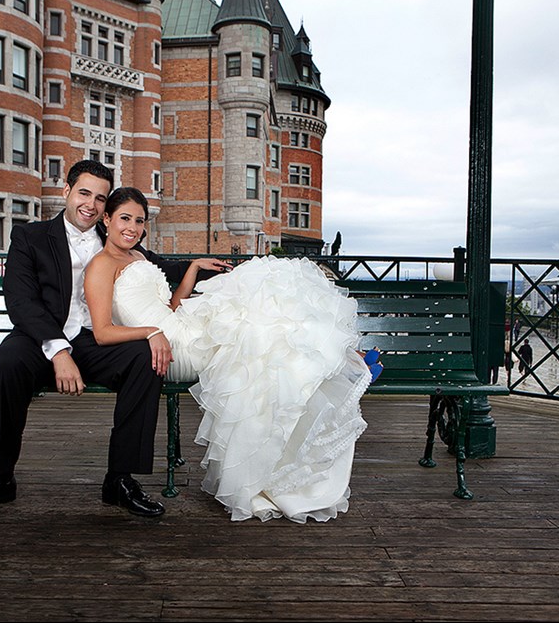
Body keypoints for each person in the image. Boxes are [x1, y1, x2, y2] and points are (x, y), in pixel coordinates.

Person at [84, 188, 372, 523]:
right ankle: (270, 465)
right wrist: (149, 333)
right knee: (258, 323)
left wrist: (192, 269)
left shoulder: (137, 257)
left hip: (179, 325)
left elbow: (170, 308)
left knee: (267, 321)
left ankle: (290, 452)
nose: (132, 227)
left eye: (139, 220)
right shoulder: (101, 266)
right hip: (175, 348)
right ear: (106, 219)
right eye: (124, 218)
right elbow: (103, 332)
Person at [0, 161, 204, 520]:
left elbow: (160, 268)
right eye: (84, 193)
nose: (92, 204)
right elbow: (21, 300)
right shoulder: (30, 237)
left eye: (100, 198)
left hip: (95, 339)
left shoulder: (115, 235)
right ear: (65, 191)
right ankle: (0, 476)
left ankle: (119, 479)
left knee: (145, 359)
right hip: (41, 339)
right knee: (6, 366)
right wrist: (58, 351)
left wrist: (207, 266)